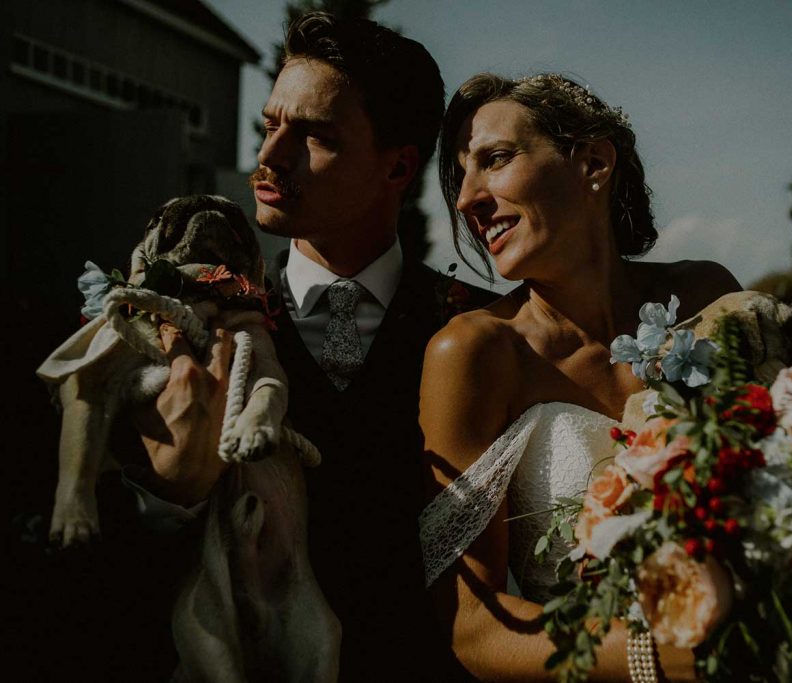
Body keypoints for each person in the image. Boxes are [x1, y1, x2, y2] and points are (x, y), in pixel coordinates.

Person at [13, 12, 488, 682]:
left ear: (398, 166)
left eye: (315, 136)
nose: (270, 157)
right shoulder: (166, 328)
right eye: (270, 125)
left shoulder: (479, 329)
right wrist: (161, 492)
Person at [418, 73, 742, 682]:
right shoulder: (473, 352)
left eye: (495, 159)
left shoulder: (708, 298)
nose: (465, 198)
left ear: (593, 162)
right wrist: (658, 656)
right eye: (461, 174)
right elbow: (473, 626)